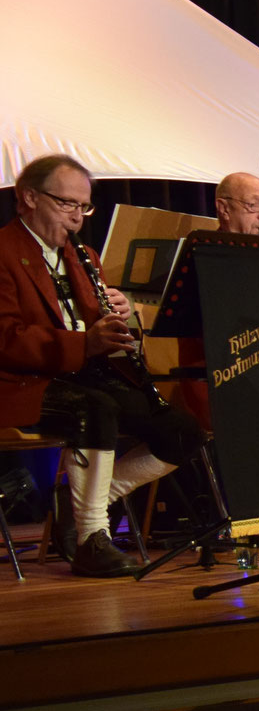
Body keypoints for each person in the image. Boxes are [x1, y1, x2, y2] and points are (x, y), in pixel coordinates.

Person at [0, 155, 206, 575]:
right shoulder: (3, 251)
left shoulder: (83, 255)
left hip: (83, 374)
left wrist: (121, 314)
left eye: (84, 207)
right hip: (21, 382)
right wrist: (84, 342)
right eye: (67, 204)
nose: (77, 218)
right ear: (28, 198)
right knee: (96, 407)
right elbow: (6, 338)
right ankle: (93, 536)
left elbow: (93, 324)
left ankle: (80, 508)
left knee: (182, 432)